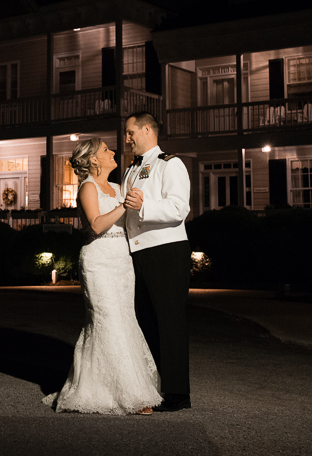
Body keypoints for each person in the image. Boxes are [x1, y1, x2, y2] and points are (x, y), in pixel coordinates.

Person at [43, 138, 162, 415]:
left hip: (122, 259)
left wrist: (139, 204)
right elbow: (96, 224)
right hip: (98, 260)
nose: (112, 152)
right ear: (94, 160)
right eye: (106, 150)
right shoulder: (88, 187)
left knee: (123, 318)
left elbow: (133, 219)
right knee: (106, 319)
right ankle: (130, 394)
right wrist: (125, 205)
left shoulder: (119, 187)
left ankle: (114, 387)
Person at [122, 111, 192, 412]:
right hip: (138, 252)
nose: (126, 139)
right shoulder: (130, 169)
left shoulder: (171, 163)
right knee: (146, 321)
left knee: (170, 322)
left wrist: (145, 205)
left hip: (166, 250)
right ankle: (154, 388)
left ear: (147, 129)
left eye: (130, 132)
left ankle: (177, 394)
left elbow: (179, 208)